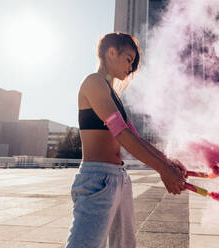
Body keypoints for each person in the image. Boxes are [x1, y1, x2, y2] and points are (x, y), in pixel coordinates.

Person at [65, 32, 187, 248]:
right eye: (129, 59)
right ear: (111, 52)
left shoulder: (114, 95)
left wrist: (167, 162)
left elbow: (134, 137)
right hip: (97, 178)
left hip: (118, 178)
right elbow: (120, 132)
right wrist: (162, 169)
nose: (130, 68)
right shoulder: (93, 82)